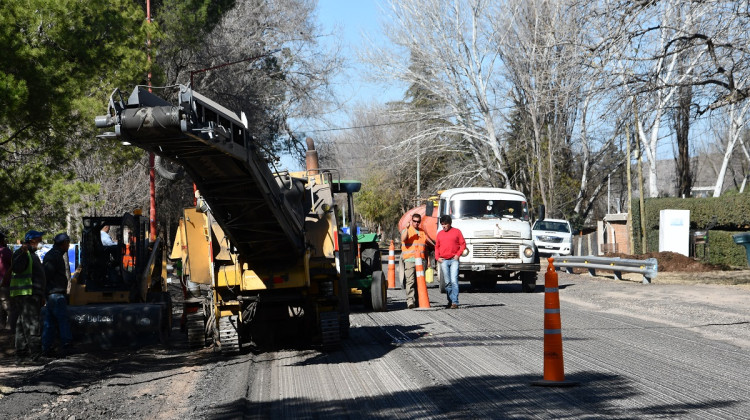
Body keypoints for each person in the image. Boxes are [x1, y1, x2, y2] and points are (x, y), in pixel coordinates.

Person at [11, 230, 47, 363]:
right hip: (27, 295)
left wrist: (41, 294)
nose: (41, 242)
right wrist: (22, 253)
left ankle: (22, 355)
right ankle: (35, 356)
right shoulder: (23, 253)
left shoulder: (31, 254)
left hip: (31, 294)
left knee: (21, 325)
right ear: (32, 241)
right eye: (39, 239)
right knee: (32, 324)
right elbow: (17, 268)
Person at [42, 233, 73, 356]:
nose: (69, 245)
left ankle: (47, 347)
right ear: (63, 243)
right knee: (62, 319)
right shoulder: (53, 256)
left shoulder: (56, 255)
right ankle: (67, 344)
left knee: (50, 322)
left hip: (53, 293)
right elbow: (47, 274)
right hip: (55, 293)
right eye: (68, 242)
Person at [435, 215, 466, 309]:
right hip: (443, 260)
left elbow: (463, 244)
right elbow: (437, 247)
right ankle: (450, 300)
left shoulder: (457, 232)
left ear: (450, 223)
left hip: (454, 260)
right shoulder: (439, 234)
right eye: (442, 225)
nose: (444, 226)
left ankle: (455, 302)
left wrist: (458, 254)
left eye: (445, 224)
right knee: (447, 282)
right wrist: (437, 258)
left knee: (454, 281)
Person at [400, 213, 426, 309]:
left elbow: (424, 248)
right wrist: (406, 228)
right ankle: (410, 301)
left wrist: (427, 261)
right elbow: (403, 239)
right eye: (414, 221)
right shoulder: (407, 230)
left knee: (419, 282)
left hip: (421, 261)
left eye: (418, 222)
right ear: (411, 221)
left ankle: (419, 300)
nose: (416, 223)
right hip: (410, 259)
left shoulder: (422, 232)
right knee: (410, 281)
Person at [0, 232, 13, 332]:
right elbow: (14, 265)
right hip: (5, 283)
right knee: (9, 308)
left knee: (1, 308)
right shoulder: (5, 251)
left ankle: (2, 327)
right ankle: (9, 329)